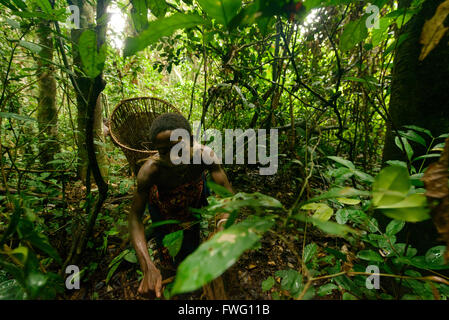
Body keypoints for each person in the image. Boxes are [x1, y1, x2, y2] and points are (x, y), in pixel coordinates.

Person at [128, 113, 233, 298]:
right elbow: (135, 217)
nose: (173, 158)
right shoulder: (150, 171)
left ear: (191, 141)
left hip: (193, 197)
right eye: (164, 152)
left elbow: (227, 194)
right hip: (163, 205)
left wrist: (223, 226)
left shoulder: (204, 156)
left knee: (191, 235)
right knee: (166, 248)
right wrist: (147, 266)